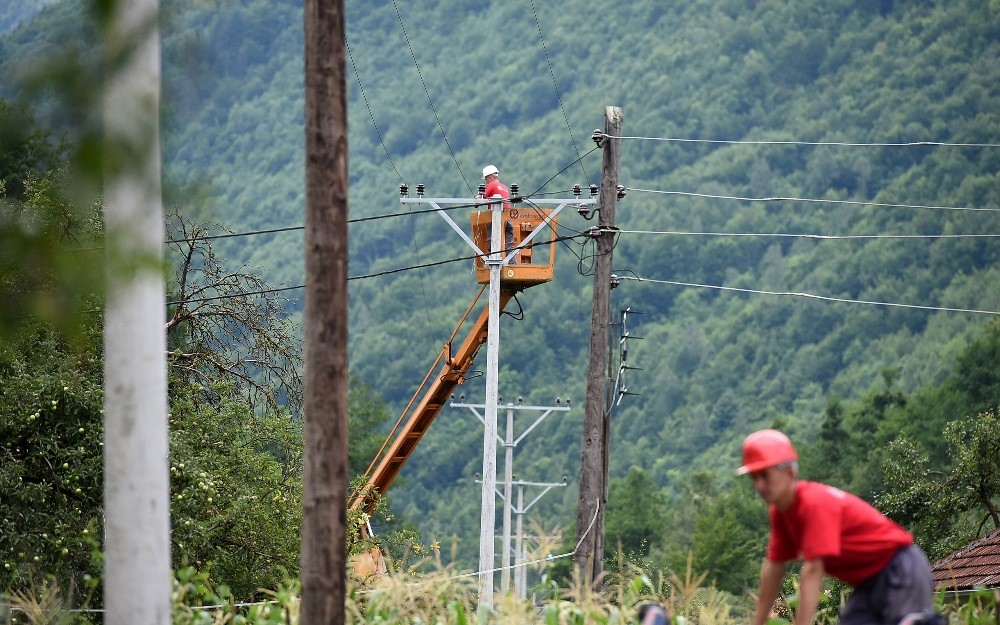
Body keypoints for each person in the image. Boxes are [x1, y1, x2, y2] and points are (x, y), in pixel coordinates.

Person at [739, 429, 935, 625]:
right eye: (754, 478)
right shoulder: (780, 512)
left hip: (900, 568)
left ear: (789, 472)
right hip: (868, 583)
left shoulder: (812, 502)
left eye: (765, 476)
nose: (759, 485)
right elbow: (773, 569)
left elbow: (813, 569)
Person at [476, 164, 516, 262]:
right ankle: (512, 265)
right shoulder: (504, 187)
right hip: (508, 219)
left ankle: (492, 262)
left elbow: (480, 200)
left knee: (492, 244)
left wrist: (477, 197)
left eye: (486, 180)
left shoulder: (491, 185)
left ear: (489, 177)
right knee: (509, 246)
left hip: (496, 218)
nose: (486, 182)